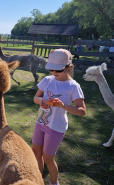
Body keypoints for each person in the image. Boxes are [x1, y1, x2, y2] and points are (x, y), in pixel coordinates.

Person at [32, 49, 86, 185]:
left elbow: (82, 111)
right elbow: (35, 98)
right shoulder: (47, 80)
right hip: (40, 123)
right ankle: (38, 179)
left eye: (58, 70)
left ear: (69, 67)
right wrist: (43, 102)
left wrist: (63, 106)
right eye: (51, 70)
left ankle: (54, 182)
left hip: (55, 127)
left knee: (48, 158)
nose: (54, 73)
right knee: (36, 153)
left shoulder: (73, 86)